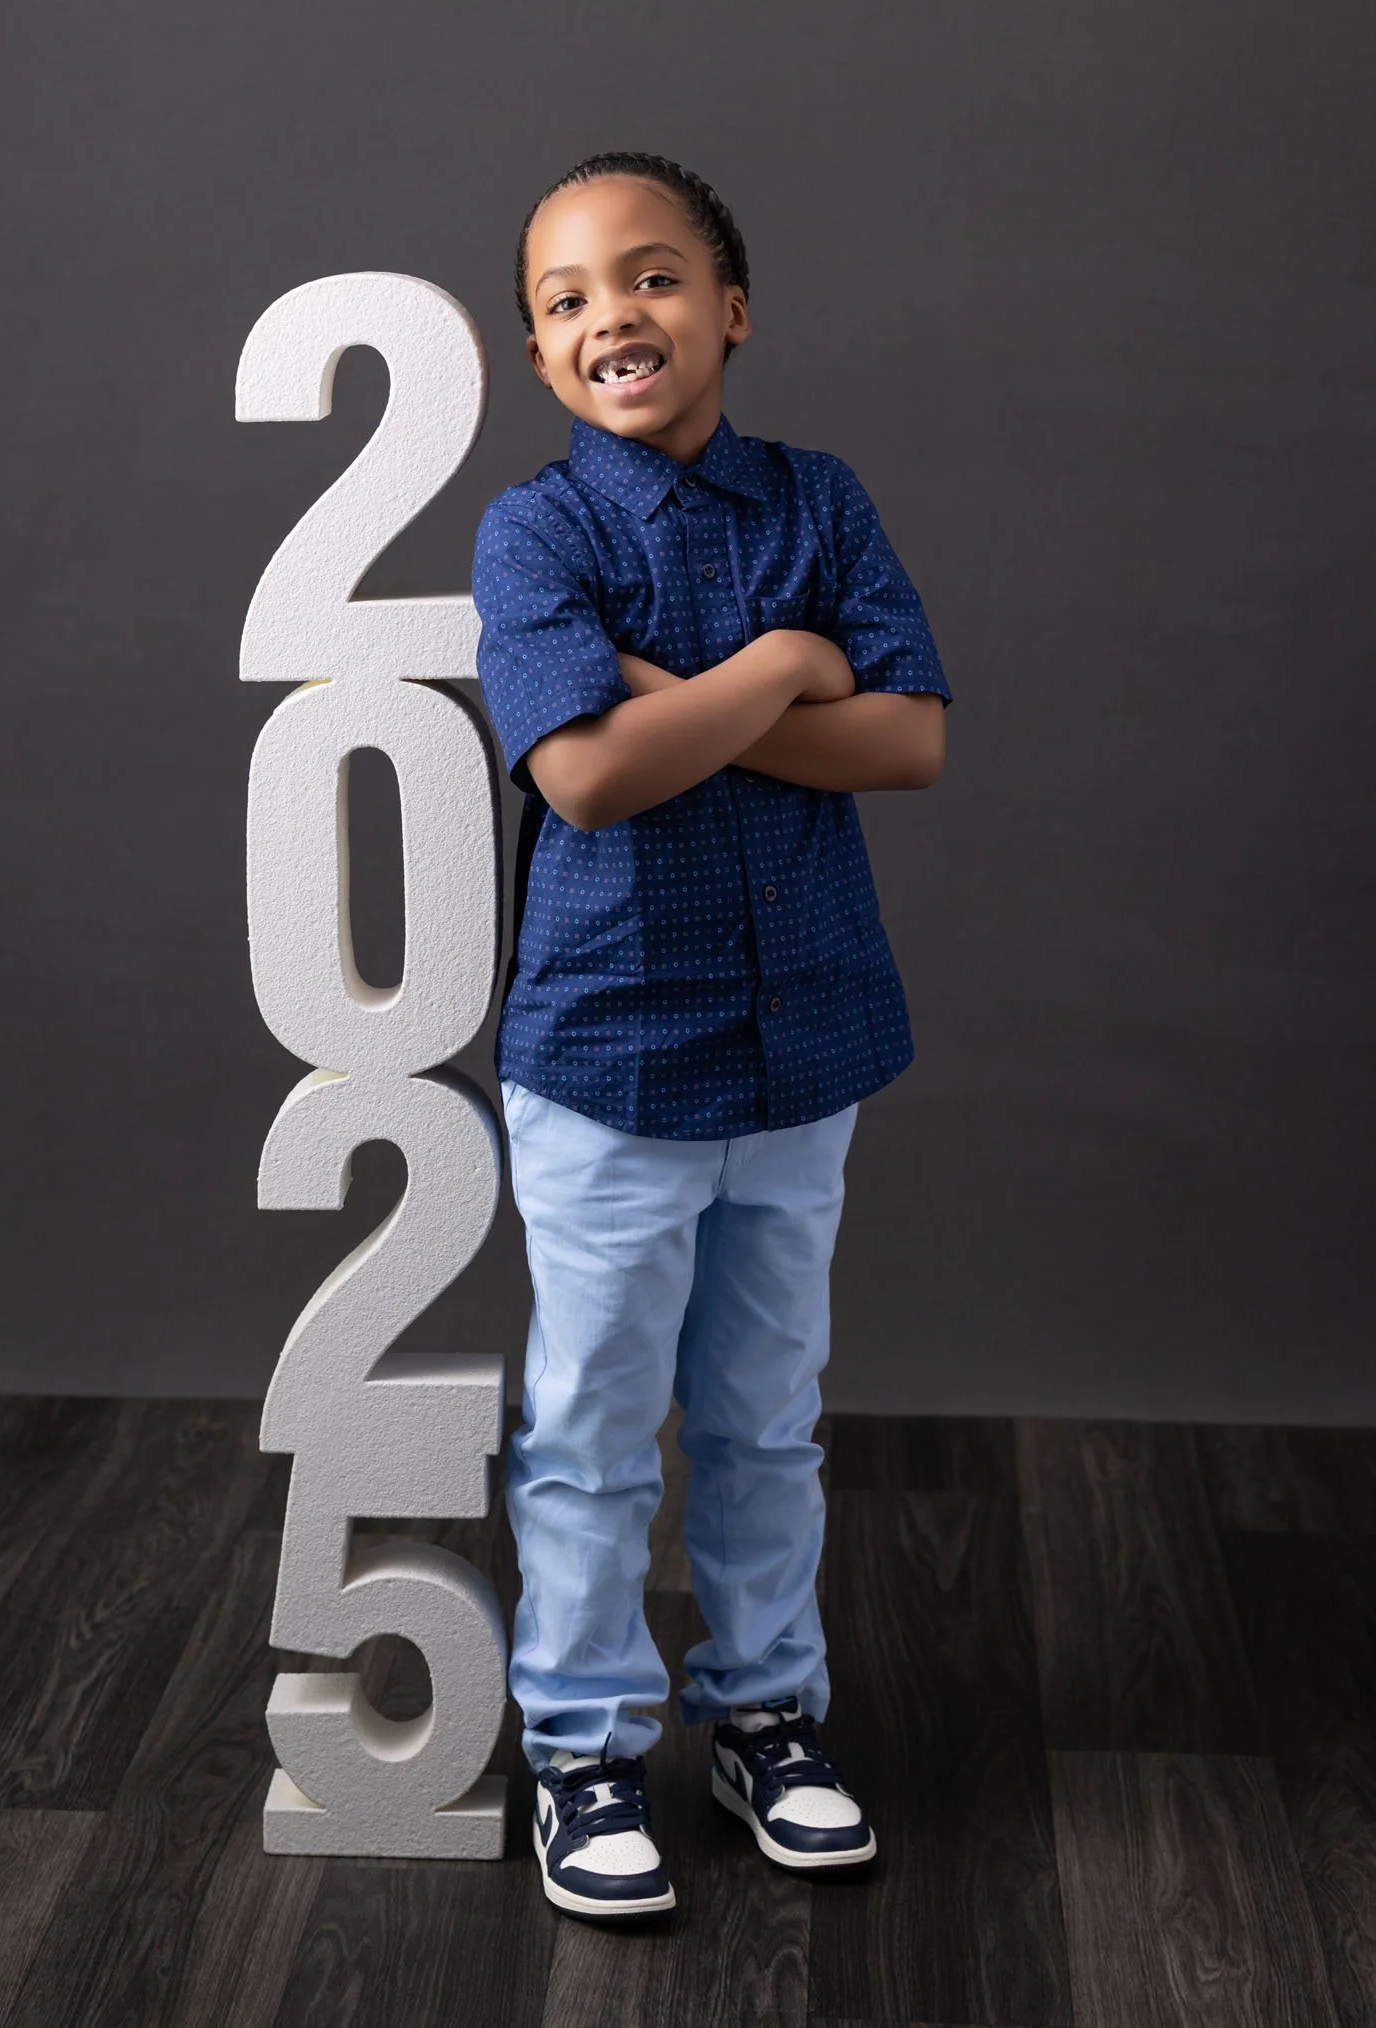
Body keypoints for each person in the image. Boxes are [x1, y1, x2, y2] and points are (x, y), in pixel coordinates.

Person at [471, 150, 952, 1923]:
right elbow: (585, 778)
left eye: (653, 277)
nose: (615, 315)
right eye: (569, 299)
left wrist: (675, 695)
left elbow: (908, 741)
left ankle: (765, 1715)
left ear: (729, 308)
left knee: (762, 1417)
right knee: (592, 1426)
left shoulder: (818, 498)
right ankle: (580, 1746)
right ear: (538, 353)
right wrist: (780, 667)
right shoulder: (536, 532)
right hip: (608, 1060)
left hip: (801, 1044)